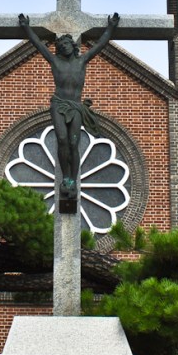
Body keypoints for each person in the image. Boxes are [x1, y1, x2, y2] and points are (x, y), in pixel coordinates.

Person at [18, 12, 120, 212]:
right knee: (62, 139)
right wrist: (26, 28)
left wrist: (111, 28)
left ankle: (73, 178)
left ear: (73, 46)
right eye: (60, 45)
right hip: (58, 104)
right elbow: (38, 45)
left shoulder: (81, 61)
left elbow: (100, 46)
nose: (63, 47)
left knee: (74, 143)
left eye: (66, 44)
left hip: (75, 106)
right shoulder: (55, 62)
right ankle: (65, 176)